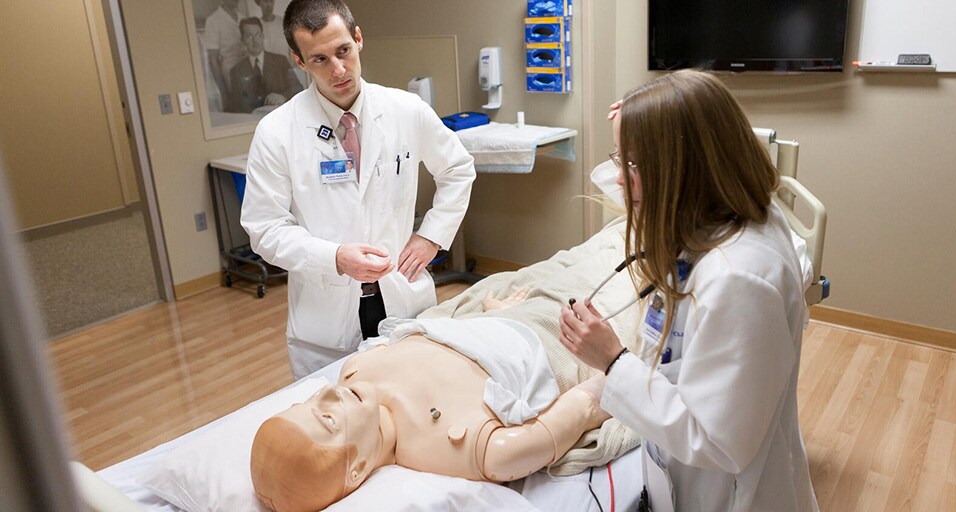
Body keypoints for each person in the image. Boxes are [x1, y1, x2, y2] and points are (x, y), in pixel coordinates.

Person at [559, 70, 819, 511]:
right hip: (677, 477)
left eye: (633, 165)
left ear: (684, 167)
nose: (619, 178)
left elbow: (717, 442)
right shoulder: (732, 208)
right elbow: (633, 177)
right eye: (620, 159)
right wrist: (641, 125)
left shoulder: (738, 279)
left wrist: (613, 362)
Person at [241, 0, 475, 379]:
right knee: (338, 428)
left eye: (343, 51)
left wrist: (431, 236)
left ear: (358, 39)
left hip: (402, 299)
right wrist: (334, 258)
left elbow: (458, 168)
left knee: (413, 415)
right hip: (326, 319)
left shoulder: (406, 110)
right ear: (299, 62)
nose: (338, 70)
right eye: (319, 59)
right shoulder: (277, 132)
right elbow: (264, 228)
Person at [250, 294, 609, 512]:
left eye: (309, 401)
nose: (329, 392)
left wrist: (489, 314)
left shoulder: (357, 370)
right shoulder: (455, 449)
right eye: (328, 418)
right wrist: (612, 380)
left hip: (491, 320)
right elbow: (578, 412)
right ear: (356, 468)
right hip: (544, 336)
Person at [225, 17, 302, 113]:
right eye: (249, 36)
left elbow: (298, 88)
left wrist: (283, 96)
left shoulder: (280, 61)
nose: (255, 40)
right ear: (242, 40)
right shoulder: (236, 71)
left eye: (258, 35)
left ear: (263, 36)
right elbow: (235, 105)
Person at [204, 0, 248, 106]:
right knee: (238, 104)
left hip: (248, 66)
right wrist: (224, 92)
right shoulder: (213, 20)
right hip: (230, 70)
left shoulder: (243, 18)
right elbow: (213, 60)